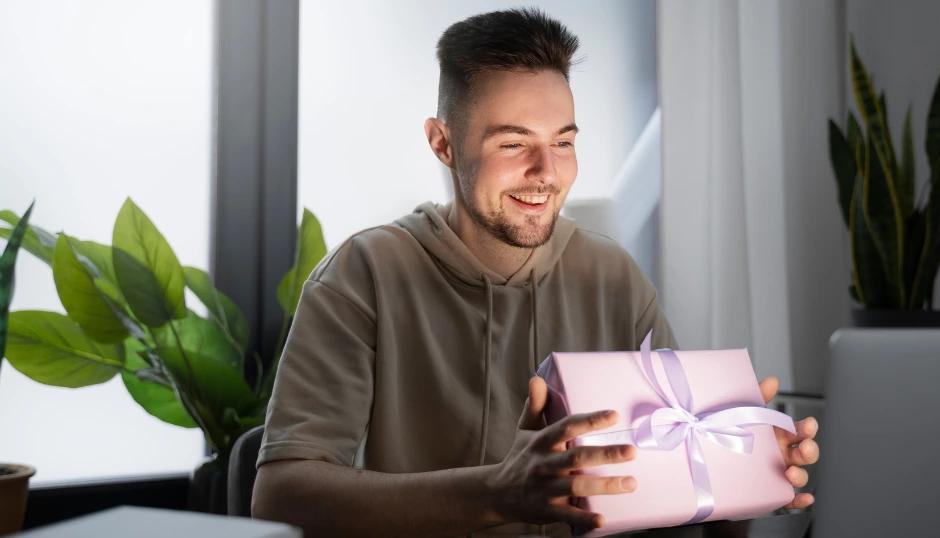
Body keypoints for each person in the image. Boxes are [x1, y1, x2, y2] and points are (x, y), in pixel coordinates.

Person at [251, 8, 818, 537]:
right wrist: (496, 493)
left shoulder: (611, 278)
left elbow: (675, 504)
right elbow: (279, 494)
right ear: (443, 143)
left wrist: (751, 474)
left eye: (563, 142)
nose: (546, 172)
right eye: (514, 142)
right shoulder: (362, 275)